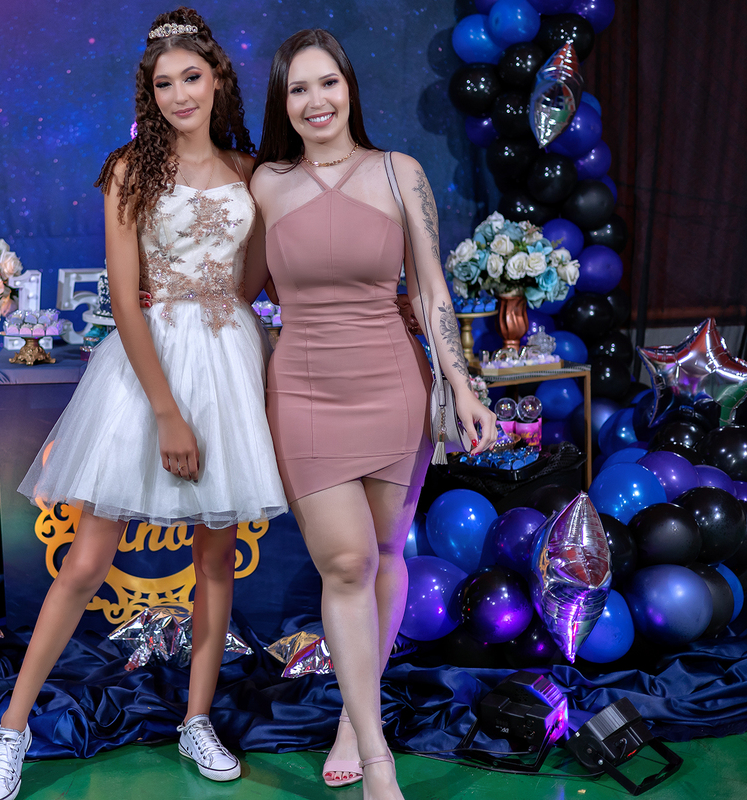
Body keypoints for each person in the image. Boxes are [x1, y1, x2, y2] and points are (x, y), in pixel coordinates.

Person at [0, 8, 287, 800]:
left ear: (217, 80)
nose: (181, 93)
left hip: (227, 360)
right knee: (86, 561)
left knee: (215, 559)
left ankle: (197, 719)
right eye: (164, 83)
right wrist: (167, 410)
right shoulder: (129, 170)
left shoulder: (251, 171)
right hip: (146, 369)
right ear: (150, 94)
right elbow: (123, 298)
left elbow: (252, 279)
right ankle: (11, 731)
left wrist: (221, 308)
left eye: (192, 76)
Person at [251, 29, 497, 800]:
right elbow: (234, 286)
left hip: (394, 383)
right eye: (298, 89)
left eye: (327, 83)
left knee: (386, 553)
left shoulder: (399, 172)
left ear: (349, 88)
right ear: (283, 103)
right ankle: (379, 758)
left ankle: (353, 719)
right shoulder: (265, 184)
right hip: (304, 390)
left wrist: (461, 385)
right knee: (347, 563)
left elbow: (429, 289)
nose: (316, 101)